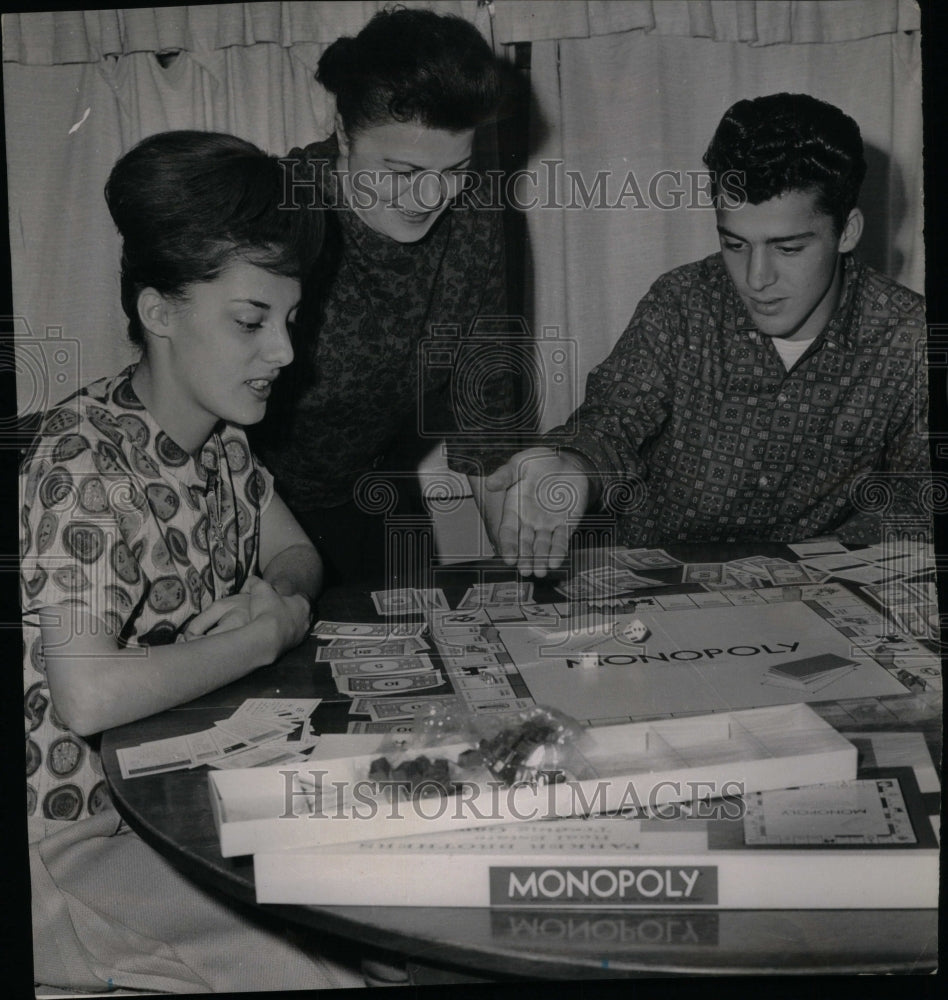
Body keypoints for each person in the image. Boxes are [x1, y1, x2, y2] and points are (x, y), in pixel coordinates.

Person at [20, 131, 364, 992]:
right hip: (77, 849)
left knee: (380, 920)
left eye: (289, 320)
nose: (285, 352)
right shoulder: (80, 463)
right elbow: (88, 690)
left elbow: (296, 552)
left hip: (179, 810)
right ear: (159, 311)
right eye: (251, 321)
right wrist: (267, 632)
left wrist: (273, 593)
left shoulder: (220, 447)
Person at [485, 93, 930, 577]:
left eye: (787, 248)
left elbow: (918, 502)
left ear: (847, 232)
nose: (756, 278)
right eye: (734, 243)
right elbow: (611, 420)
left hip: (818, 595)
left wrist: (814, 568)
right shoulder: (682, 303)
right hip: (654, 591)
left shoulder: (908, 338)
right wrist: (572, 467)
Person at [255, 7, 518, 585]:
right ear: (344, 132)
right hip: (253, 519)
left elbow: (484, 406)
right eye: (399, 170)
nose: (430, 197)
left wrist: (526, 553)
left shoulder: (471, 211)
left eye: (455, 170)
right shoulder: (275, 214)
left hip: (378, 499)